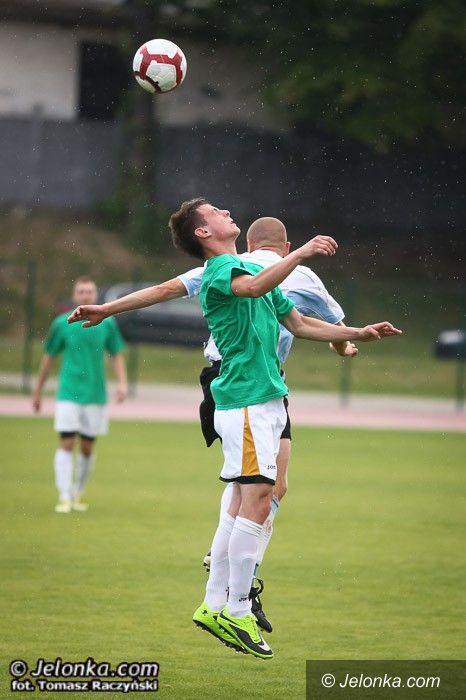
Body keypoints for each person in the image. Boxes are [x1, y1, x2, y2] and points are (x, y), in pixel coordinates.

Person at [68, 201, 400, 658]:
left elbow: (299, 323)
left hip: (266, 397)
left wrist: (357, 333)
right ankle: (238, 608)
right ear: (203, 233)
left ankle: (214, 604)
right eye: (215, 211)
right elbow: (251, 286)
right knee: (258, 498)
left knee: (253, 499)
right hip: (244, 400)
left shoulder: (252, 270)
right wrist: (301, 253)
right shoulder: (223, 270)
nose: (225, 210)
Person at [33, 276, 128, 513]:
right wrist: (38, 391)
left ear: (95, 295)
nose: (85, 295)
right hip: (68, 392)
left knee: (87, 447)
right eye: (81, 291)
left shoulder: (107, 323)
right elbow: (48, 358)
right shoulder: (61, 323)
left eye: (89, 291)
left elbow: (116, 354)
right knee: (66, 442)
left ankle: (78, 490)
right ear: (74, 295)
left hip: (95, 394)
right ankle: (64, 495)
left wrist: (122, 383)